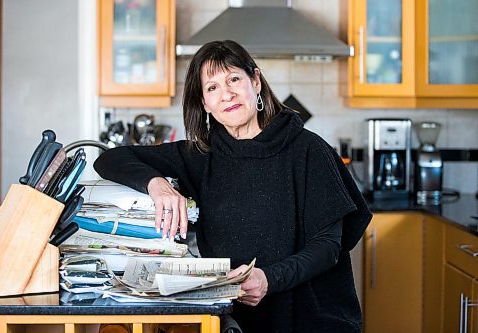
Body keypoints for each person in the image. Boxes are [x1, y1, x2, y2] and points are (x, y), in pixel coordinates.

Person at [94, 40, 372, 333]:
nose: (226, 94)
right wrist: (157, 185)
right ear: (205, 103)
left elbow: (328, 247)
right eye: (212, 87)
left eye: (234, 79)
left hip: (312, 317)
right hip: (236, 318)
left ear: (256, 80)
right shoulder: (200, 155)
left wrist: (269, 278)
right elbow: (110, 158)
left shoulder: (309, 150)